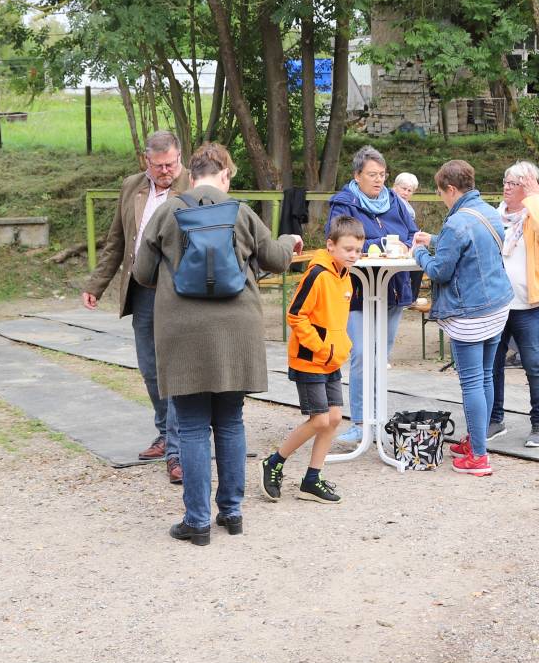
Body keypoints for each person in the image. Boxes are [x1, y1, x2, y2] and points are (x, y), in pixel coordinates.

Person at [133, 142, 301, 545]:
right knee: (230, 419)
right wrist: (288, 239)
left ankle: (197, 521)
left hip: (183, 331)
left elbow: (141, 272)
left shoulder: (168, 211)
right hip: (236, 329)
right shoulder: (240, 212)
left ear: (192, 176)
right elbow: (277, 259)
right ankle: (232, 511)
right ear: (225, 174)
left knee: (190, 426)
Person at [83, 131, 186, 479]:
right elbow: (116, 240)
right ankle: (164, 431)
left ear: (179, 157)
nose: (165, 171)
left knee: (175, 368)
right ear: (146, 161)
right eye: (158, 166)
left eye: (170, 164)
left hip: (179, 291)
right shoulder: (132, 186)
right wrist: (97, 283)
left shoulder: (193, 186)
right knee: (150, 366)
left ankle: (177, 448)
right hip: (141, 289)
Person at [411, 159, 511, 476]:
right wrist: (435, 241)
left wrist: (419, 253)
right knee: (484, 377)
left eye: (441, 193)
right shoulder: (489, 211)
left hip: (470, 313)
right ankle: (478, 440)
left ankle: (478, 457)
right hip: (497, 305)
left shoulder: (456, 223)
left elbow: (440, 270)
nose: (442, 198)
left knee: (471, 383)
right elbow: (472, 248)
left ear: (451, 189)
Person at [261, 216, 364, 506]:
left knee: (332, 419)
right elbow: (295, 314)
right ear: (330, 246)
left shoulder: (346, 276)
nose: (353, 255)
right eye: (348, 249)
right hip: (309, 360)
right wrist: (320, 348)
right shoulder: (317, 274)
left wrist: (338, 348)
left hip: (331, 360)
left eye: (357, 249)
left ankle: (311, 479)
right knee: (318, 419)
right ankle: (274, 461)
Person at [325, 146, 419, 447]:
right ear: (357, 176)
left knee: (382, 356)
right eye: (372, 175)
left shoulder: (396, 202)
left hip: (392, 286)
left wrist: (404, 244)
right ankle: (360, 422)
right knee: (362, 354)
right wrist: (383, 242)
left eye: (382, 175)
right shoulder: (344, 204)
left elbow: (413, 235)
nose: (378, 180)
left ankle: (378, 418)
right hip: (357, 290)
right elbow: (339, 239)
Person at [488, 161, 539, 449]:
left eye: (515, 183)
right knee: (492, 365)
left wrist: (534, 198)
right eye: (506, 181)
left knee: (536, 365)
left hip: (530, 306)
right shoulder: (494, 216)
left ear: (530, 189)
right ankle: (495, 419)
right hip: (495, 304)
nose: (507, 187)